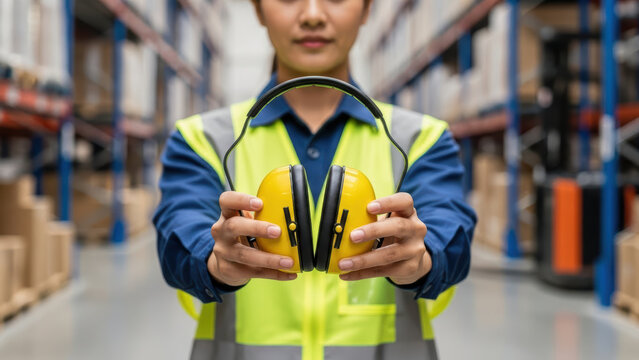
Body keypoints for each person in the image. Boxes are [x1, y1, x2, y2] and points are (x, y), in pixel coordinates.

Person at [154, 0, 476, 359]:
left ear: (367, 9)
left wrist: (424, 256)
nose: (312, 15)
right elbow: (178, 234)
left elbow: (452, 234)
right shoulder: (203, 139)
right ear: (258, 10)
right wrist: (212, 257)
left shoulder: (419, 139)